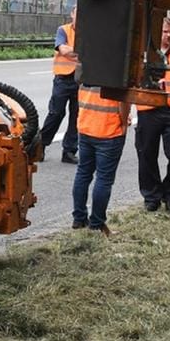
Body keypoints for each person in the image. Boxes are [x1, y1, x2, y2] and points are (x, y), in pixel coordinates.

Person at [136, 16, 170, 213]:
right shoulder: (143, 51)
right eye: (164, 31)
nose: (168, 36)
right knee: (146, 154)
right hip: (148, 109)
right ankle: (151, 196)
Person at [71, 86, 131, 235]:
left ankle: (79, 219)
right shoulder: (119, 65)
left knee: (83, 174)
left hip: (86, 125)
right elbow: (123, 98)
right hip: (109, 130)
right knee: (104, 179)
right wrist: (123, 122)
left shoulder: (88, 62)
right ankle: (96, 224)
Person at [38, 9, 80, 163]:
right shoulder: (63, 30)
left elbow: (90, 52)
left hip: (80, 79)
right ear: (72, 14)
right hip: (63, 79)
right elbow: (62, 49)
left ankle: (69, 151)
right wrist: (81, 51)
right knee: (56, 113)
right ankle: (40, 145)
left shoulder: (89, 31)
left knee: (76, 116)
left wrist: (72, 51)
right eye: (77, 13)